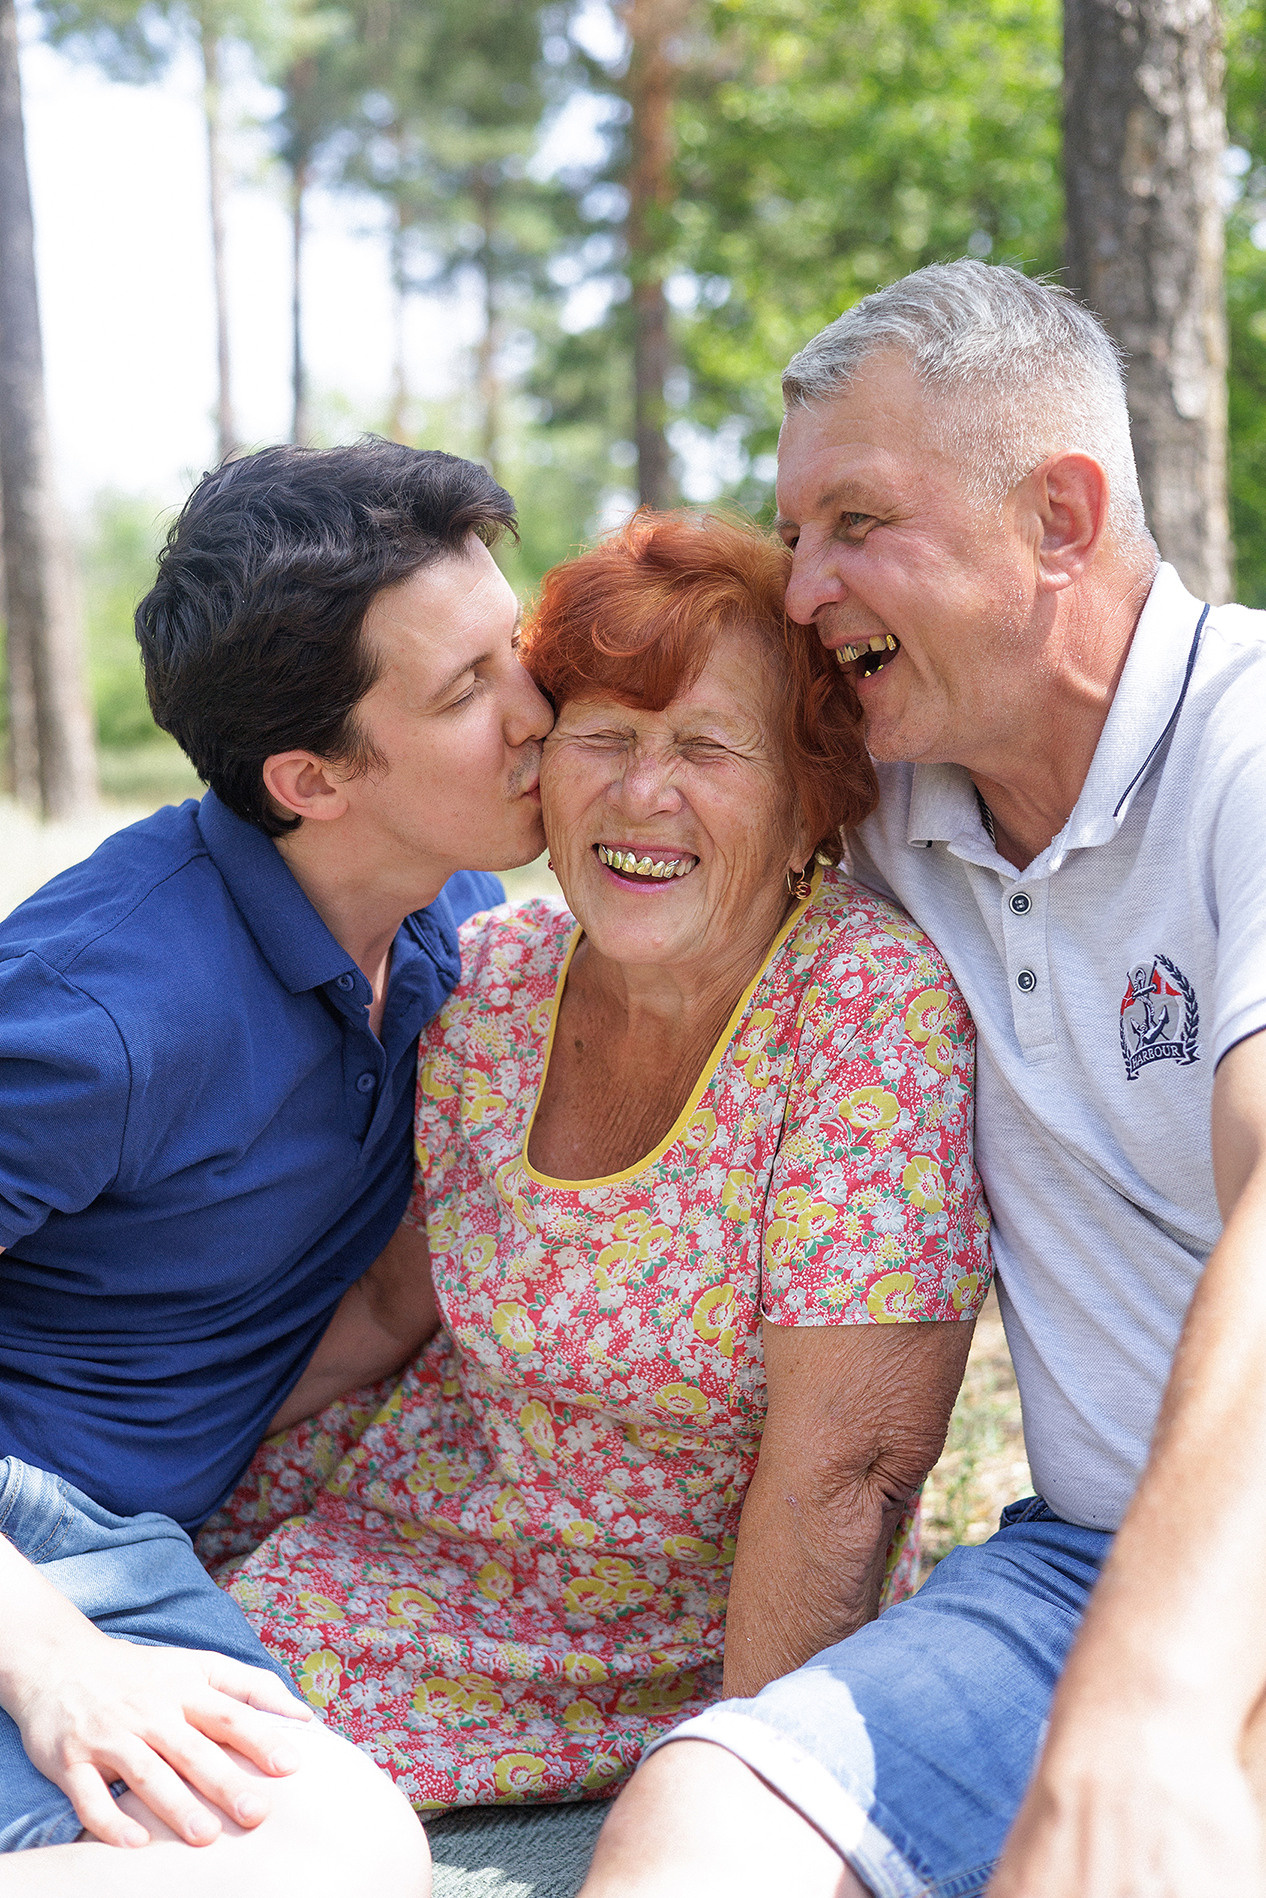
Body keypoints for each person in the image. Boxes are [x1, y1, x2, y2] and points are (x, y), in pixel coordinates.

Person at [576, 261, 1266, 1898]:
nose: (802, 587)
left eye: (854, 524)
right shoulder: (893, 803)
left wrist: (1156, 1701)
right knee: (698, 1820)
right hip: (1072, 1578)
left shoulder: (1247, 745)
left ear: (1057, 516)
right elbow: (615, 774)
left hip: (1187, 1609)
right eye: (793, 532)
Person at [205, 508, 990, 1813]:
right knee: (132, 1665)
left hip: (680, 1628)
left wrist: (754, 1804)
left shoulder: (863, 1010)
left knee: (211, 1772)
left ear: (810, 795)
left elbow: (841, 1472)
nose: (641, 794)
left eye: (705, 748)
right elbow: (394, 1305)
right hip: (419, 1537)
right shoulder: (497, 976)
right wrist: (157, 1473)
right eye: (605, 737)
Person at [0, 440, 552, 1892]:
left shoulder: (458, 919)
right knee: (334, 1861)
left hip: (139, 1546)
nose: (539, 712)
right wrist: (51, 1658)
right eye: (466, 691)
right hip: (31, 1549)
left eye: (517, 646)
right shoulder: (105, 1010)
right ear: (310, 778)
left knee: (342, 1848)